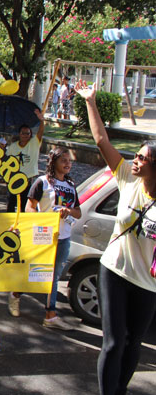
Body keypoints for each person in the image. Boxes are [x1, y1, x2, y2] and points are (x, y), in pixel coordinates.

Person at [75, 81, 156, 395]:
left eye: (140, 158)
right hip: (114, 270)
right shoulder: (126, 178)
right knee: (112, 342)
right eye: (135, 156)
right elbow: (100, 140)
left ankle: (119, 389)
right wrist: (91, 102)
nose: (133, 160)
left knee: (133, 342)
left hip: (147, 282)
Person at [10, 147, 81, 327]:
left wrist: (68, 211)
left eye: (69, 161)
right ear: (54, 161)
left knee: (54, 276)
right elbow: (29, 207)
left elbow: (78, 212)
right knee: (36, 272)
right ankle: (16, 293)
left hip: (63, 237)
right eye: (63, 160)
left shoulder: (71, 185)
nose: (67, 163)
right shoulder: (42, 182)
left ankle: (50, 315)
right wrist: (41, 223)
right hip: (44, 236)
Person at [5, 109, 45, 213]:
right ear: (19, 134)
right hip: (14, 179)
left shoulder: (34, 144)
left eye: (27, 133)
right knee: (11, 203)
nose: (25, 135)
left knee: (24, 205)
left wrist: (41, 121)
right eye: (23, 133)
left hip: (28, 179)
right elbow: (6, 162)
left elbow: (40, 132)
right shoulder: (13, 147)